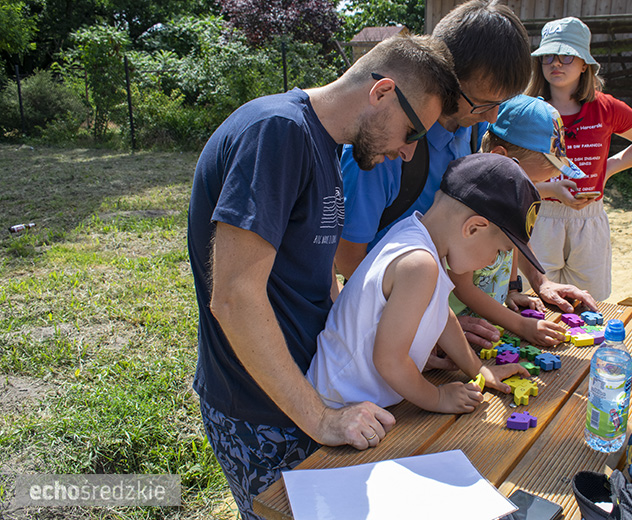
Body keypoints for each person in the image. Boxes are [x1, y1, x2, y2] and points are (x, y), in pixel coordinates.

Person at [187, 34, 461, 518]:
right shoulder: (277, 132)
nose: (408, 152)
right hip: (263, 406)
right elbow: (233, 296)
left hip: (307, 390)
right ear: (382, 92)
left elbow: (316, 282)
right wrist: (321, 419)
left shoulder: (324, 146)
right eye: (412, 132)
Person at [336, 0, 596, 351]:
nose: (493, 119)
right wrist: (428, 320)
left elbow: (501, 212)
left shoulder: (472, 129)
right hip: (388, 329)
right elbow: (349, 259)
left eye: (501, 104)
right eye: (484, 104)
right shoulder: (386, 148)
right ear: (444, 79)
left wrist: (538, 282)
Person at [307, 154, 535, 413]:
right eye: (500, 250)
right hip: (338, 405)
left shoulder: (417, 236)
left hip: (358, 398)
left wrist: (478, 369)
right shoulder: (420, 264)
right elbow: (390, 361)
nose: (495, 260)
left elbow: (442, 315)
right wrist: (438, 398)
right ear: (473, 228)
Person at [524, 17, 632, 301]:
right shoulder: (526, 111)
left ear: (584, 64)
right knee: (535, 301)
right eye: (548, 56)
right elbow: (507, 171)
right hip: (538, 216)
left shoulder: (606, 108)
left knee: (588, 303)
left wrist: (608, 169)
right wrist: (550, 190)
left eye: (567, 56)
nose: (556, 63)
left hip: (589, 219)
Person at [449, 95, 587, 347]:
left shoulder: (509, 195)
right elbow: (463, 287)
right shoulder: (471, 206)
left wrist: (513, 289)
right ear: (500, 157)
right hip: (457, 332)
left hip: (492, 325)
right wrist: (522, 325)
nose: (533, 192)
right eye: (531, 183)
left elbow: (514, 240)